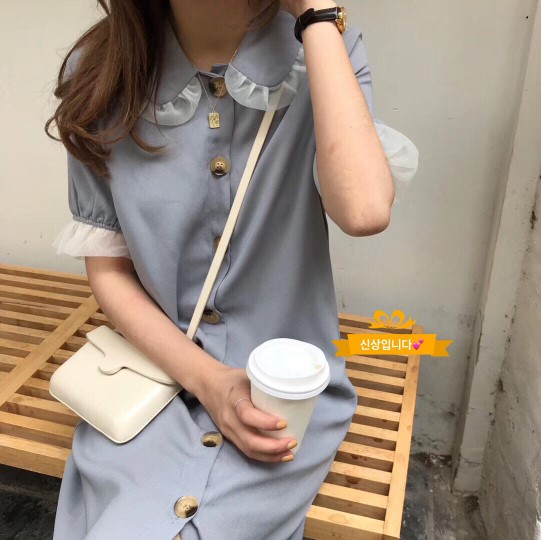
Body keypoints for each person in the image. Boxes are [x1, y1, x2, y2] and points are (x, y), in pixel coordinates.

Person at [46, 1, 419, 538]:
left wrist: (316, 16)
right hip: (156, 374)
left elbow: (364, 210)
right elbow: (110, 273)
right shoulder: (102, 69)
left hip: (284, 396)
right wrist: (208, 381)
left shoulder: (323, 50)